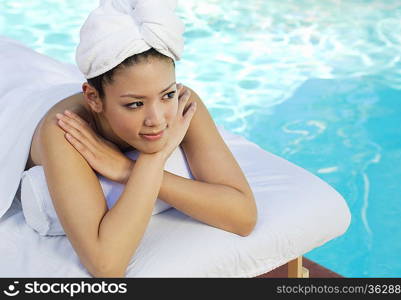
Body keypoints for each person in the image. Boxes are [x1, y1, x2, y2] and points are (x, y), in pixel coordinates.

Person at [25, 0, 257, 277]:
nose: (157, 119)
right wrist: (157, 155)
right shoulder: (66, 129)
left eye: (167, 94)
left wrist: (130, 169)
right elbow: (106, 265)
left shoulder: (182, 104)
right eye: (135, 104)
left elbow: (243, 217)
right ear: (93, 98)